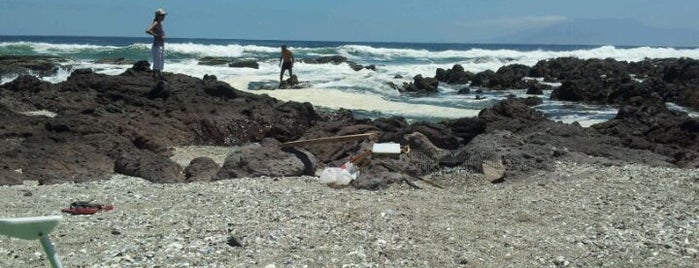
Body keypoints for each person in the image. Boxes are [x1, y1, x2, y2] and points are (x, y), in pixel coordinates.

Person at [146, 8, 167, 80]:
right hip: (157, 45)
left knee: (160, 61)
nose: (164, 17)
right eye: (162, 15)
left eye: (164, 15)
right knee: (157, 62)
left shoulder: (160, 23)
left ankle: (159, 75)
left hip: (161, 45)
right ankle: (155, 76)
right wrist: (157, 35)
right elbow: (148, 30)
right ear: (158, 16)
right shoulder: (156, 22)